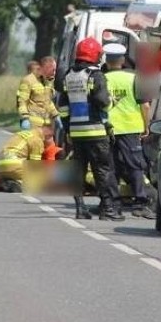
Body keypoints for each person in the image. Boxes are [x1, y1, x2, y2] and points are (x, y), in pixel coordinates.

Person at [57, 37, 123, 221]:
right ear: (95, 55)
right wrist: (112, 103)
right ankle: (107, 210)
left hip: (76, 133)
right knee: (102, 170)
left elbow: (62, 106)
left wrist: (69, 129)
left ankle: (80, 209)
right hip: (96, 132)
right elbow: (102, 102)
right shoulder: (95, 75)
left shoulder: (68, 76)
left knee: (78, 170)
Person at [102, 43, 155, 219]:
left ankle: (113, 204)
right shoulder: (135, 78)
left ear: (107, 61)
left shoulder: (101, 79)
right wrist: (146, 126)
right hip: (131, 128)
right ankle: (140, 202)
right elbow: (145, 106)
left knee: (111, 167)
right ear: (123, 60)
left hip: (107, 129)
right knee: (135, 166)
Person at [0, 127, 48, 193]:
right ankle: (20, 184)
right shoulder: (37, 140)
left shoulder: (21, 134)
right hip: (14, 164)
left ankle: (8, 182)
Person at [17, 56, 61, 131]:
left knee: (51, 143)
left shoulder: (48, 82)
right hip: (32, 126)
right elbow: (22, 102)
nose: (54, 73)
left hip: (46, 126)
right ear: (46, 68)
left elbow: (48, 102)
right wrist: (25, 118)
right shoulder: (28, 80)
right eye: (53, 70)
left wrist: (56, 115)